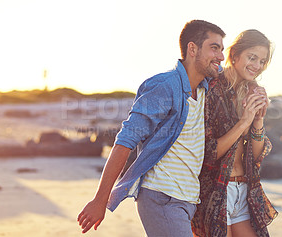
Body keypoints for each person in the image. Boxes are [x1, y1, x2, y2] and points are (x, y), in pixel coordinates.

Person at [77, 20, 226, 237]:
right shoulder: (164, 87)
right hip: (163, 197)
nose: (220, 57)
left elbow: (236, 73)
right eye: (214, 48)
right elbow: (125, 140)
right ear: (192, 49)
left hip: (189, 199)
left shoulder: (205, 89)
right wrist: (100, 200)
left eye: (222, 50)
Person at [192, 29, 278, 237]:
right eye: (252, 57)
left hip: (245, 193)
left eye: (262, 61)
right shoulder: (211, 89)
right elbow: (207, 154)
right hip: (215, 192)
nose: (257, 66)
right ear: (234, 55)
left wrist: (258, 120)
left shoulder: (253, 91)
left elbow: (256, 156)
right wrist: (243, 122)